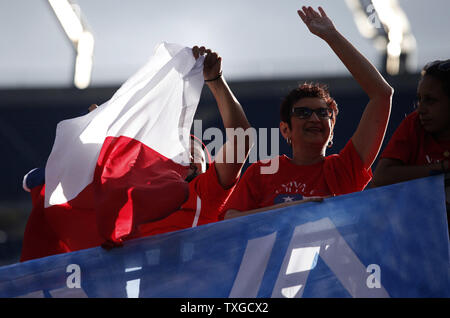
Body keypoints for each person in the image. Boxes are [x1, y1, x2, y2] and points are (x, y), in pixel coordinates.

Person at [20, 46, 252, 261]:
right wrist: (98, 130)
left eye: (194, 152)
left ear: (207, 166)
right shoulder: (132, 201)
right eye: (177, 152)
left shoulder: (206, 192)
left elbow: (241, 139)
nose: (184, 155)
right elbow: (103, 173)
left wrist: (215, 80)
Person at [223, 6, 393, 220]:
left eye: (323, 113)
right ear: (285, 129)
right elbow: (230, 222)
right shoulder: (262, 171)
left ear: (331, 132)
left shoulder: (343, 170)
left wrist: (332, 37)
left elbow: (382, 94)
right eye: (303, 112)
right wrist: (293, 209)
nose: (314, 118)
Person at [371, 59, 450, 230]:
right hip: (421, 239)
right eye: (420, 99)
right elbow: (382, 177)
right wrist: (442, 168)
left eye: (430, 100)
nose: (421, 109)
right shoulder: (414, 124)